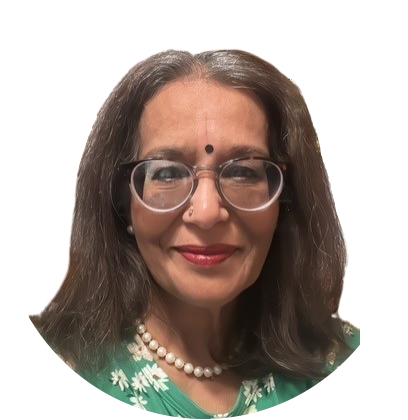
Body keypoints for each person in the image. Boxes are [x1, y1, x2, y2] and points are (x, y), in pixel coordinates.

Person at [30, 48, 367, 418]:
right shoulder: (65, 366)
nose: (206, 214)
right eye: (167, 173)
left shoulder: (357, 368)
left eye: (243, 172)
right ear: (122, 202)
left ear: (285, 201)